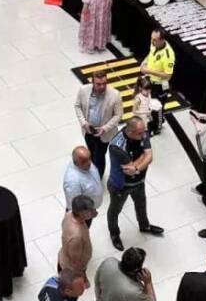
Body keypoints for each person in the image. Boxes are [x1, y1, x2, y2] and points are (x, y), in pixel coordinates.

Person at [106, 117, 163, 251]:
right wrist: (143, 157)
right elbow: (130, 170)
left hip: (139, 182)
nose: (144, 135)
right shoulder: (117, 146)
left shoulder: (142, 131)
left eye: (144, 132)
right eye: (140, 134)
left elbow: (149, 157)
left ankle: (144, 226)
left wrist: (137, 167)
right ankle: (114, 234)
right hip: (120, 186)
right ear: (130, 132)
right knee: (115, 211)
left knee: (141, 204)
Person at [74, 70, 123, 178]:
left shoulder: (115, 95)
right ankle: (91, 170)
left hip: (104, 133)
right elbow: (77, 106)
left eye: (104, 83)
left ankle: (98, 177)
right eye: (98, 84)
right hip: (88, 130)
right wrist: (84, 123)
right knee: (91, 152)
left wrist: (105, 128)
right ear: (92, 82)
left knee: (99, 156)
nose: (102, 86)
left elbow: (118, 115)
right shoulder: (83, 90)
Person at [58, 196, 95, 275]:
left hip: (63, 256)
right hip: (71, 270)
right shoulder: (77, 237)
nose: (93, 211)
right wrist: (80, 274)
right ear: (81, 213)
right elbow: (75, 261)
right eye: (90, 210)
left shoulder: (69, 214)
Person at [62, 146, 103, 212]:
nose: (89, 163)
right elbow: (74, 207)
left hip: (91, 207)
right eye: (84, 161)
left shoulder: (86, 163)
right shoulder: (72, 182)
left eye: (89, 158)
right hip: (84, 213)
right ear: (76, 163)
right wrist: (88, 213)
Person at [139, 29, 175, 97]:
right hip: (149, 79)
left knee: (157, 101)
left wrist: (148, 71)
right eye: (151, 38)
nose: (151, 41)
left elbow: (168, 76)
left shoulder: (168, 55)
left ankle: (166, 93)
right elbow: (151, 53)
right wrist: (144, 62)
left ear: (162, 40)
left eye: (154, 40)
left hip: (158, 85)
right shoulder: (154, 43)